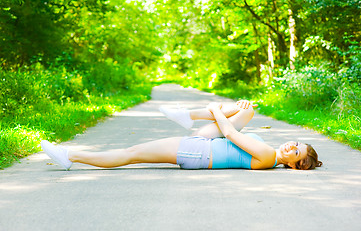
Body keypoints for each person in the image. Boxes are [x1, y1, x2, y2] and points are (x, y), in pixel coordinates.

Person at [41, 100, 322, 171]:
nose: (291, 146)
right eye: (296, 144)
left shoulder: (267, 156)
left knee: (131, 154)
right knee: (246, 109)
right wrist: (235, 112)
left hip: (197, 152)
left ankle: (71, 156)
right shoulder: (271, 153)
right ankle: (186, 115)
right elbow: (230, 132)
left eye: (295, 152)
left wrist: (215, 110)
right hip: (205, 145)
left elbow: (228, 132)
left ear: (295, 166)